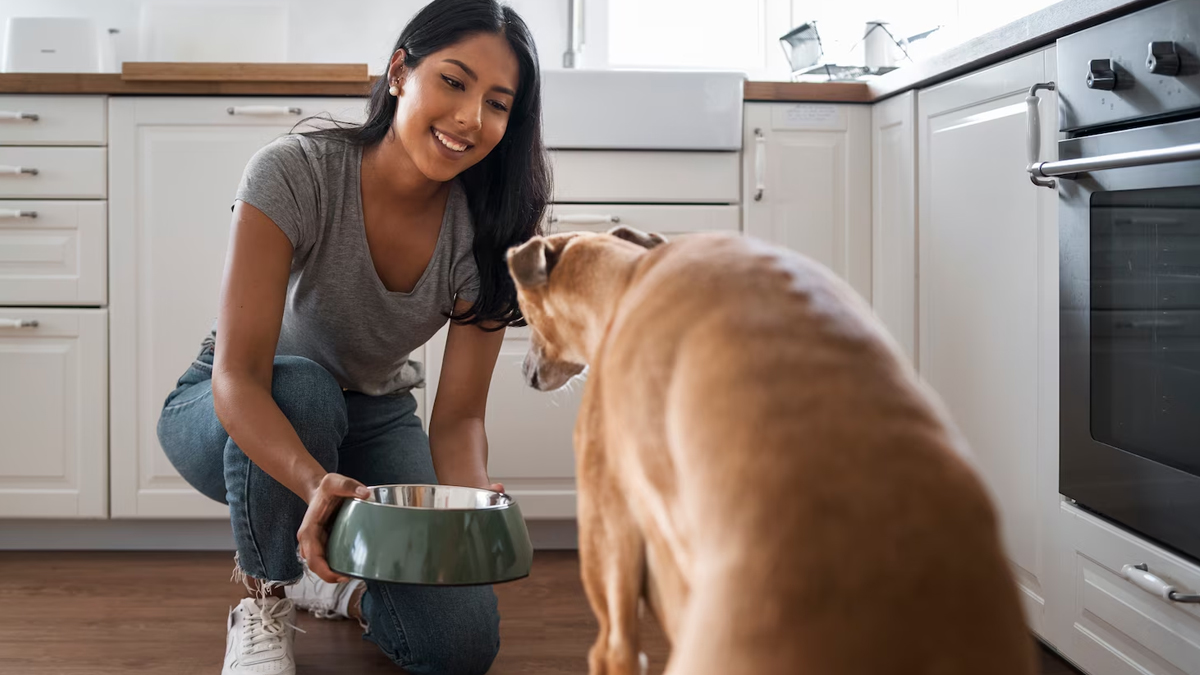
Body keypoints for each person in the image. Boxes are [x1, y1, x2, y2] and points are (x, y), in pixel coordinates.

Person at [155, 1, 550, 673]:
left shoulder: (488, 232)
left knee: (459, 646)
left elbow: (456, 419)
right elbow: (238, 376)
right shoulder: (293, 172)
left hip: (374, 415)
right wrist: (315, 481)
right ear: (400, 72)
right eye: (453, 82)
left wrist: (473, 505)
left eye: (497, 103)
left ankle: (336, 589)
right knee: (305, 389)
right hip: (236, 405)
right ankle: (265, 596)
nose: (469, 118)